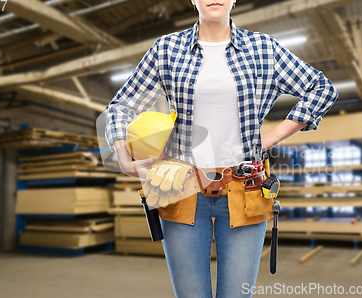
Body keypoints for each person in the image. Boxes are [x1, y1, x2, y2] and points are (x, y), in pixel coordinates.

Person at [104, 0, 339, 297]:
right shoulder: (166, 50)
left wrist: (273, 136)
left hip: (245, 188)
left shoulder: (263, 49)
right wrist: (124, 159)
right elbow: (120, 107)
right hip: (181, 190)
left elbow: (322, 88)